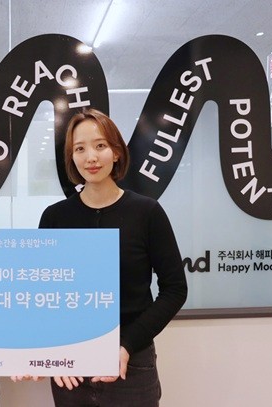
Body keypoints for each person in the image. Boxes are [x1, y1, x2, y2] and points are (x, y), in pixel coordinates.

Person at [37, 108, 187, 406]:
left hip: (131, 361)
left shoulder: (147, 212)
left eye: (100, 145)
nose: (91, 157)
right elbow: (41, 293)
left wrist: (127, 345)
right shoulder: (55, 217)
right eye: (80, 149)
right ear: (71, 157)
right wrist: (52, 352)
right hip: (72, 364)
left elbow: (175, 290)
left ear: (116, 153)